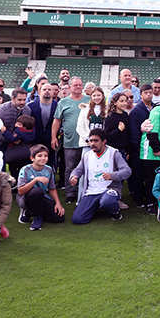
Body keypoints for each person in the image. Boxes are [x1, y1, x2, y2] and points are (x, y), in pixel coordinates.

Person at [70, 128, 131, 224]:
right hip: (91, 192)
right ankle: (95, 207)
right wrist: (73, 176)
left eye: (96, 141)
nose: (92, 144)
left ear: (104, 141)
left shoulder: (114, 153)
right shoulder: (86, 155)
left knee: (108, 201)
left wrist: (113, 175)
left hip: (109, 189)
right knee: (77, 219)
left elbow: (127, 171)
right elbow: (77, 170)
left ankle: (115, 211)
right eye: (90, 141)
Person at [52, 76, 89, 204]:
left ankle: (87, 191)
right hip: (70, 141)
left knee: (88, 167)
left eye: (80, 85)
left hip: (88, 142)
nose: (78, 87)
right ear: (69, 87)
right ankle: (70, 193)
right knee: (70, 168)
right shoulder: (63, 102)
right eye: (75, 85)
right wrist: (53, 137)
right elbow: (57, 120)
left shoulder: (89, 100)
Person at [17, 144, 66, 230]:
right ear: (32, 158)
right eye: (39, 156)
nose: (43, 158)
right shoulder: (25, 169)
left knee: (60, 218)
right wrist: (35, 180)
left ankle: (32, 212)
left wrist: (58, 203)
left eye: (45, 156)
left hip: (41, 197)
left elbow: (52, 188)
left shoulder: (49, 169)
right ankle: (36, 217)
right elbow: (20, 191)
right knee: (37, 191)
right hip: (25, 198)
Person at [128, 84, 154, 208]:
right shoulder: (136, 110)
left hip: (152, 146)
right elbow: (133, 130)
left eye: (150, 92)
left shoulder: (155, 107)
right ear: (141, 94)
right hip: (139, 148)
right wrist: (137, 145)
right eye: (146, 92)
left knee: (149, 173)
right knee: (138, 173)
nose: (149, 95)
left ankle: (150, 195)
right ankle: (138, 197)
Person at [27, 81, 58, 167]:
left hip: (51, 139)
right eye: (44, 89)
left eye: (49, 89)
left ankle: (50, 178)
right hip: (35, 138)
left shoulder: (58, 106)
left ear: (53, 92)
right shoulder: (31, 106)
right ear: (40, 91)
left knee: (50, 160)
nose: (47, 91)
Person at [104, 92, 131, 159]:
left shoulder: (125, 115)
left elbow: (128, 134)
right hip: (113, 150)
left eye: (125, 101)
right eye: (121, 101)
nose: (124, 103)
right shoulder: (110, 117)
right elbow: (107, 136)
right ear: (115, 102)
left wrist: (128, 150)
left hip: (124, 150)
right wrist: (119, 130)